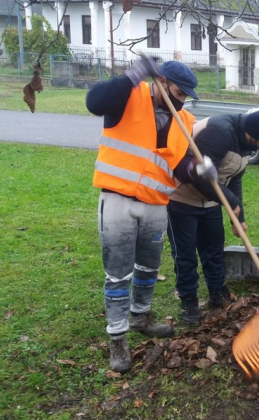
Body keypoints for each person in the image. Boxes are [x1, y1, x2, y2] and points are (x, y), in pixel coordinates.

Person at [86, 58, 214, 373]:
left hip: (157, 204)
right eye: (178, 91)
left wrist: (197, 169)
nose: (181, 99)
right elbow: (94, 102)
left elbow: (178, 164)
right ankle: (117, 337)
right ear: (159, 82)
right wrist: (134, 76)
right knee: (118, 272)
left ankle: (140, 316)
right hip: (119, 200)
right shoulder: (127, 97)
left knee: (148, 267)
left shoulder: (184, 119)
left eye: (186, 95)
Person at [167, 110, 259, 324]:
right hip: (182, 199)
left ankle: (217, 292)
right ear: (252, 133)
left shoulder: (249, 144)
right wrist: (230, 201)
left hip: (210, 202)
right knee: (185, 255)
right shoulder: (219, 132)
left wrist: (238, 217)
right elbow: (201, 176)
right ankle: (189, 301)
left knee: (213, 250)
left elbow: (233, 180)